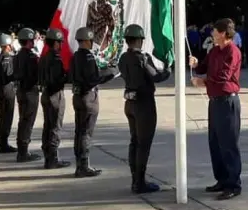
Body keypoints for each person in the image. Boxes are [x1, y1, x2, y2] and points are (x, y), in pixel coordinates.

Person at [189, 18, 243, 201]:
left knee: (228, 143)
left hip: (228, 101)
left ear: (222, 33)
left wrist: (203, 82)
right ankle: (222, 179)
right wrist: (196, 63)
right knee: (215, 142)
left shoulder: (232, 52)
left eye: (214, 31)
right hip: (215, 101)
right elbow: (204, 66)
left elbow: (224, 76)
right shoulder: (214, 51)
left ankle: (233, 184)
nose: (212, 34)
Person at [119, 24, 172, 193]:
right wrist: (169, 69)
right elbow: (156, 76)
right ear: (140, 40)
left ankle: (135, 179)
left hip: (130, 103)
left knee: (134, 142)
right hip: (144, 104)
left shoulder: (123, 58)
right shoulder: (142, 58)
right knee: (143, 144)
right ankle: (139, 182)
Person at [71, 26, 118, 178]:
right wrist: (109, 76)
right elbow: (93, 79)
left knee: (79, 132)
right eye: (91, 40)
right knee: (86, 133)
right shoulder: (88, 57)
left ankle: (80, 164)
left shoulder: (75, 56)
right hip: (88, 97)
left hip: (77, 96)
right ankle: (84, 166)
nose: (92, 43)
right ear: (86, 41)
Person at [38, 28, 70, 169]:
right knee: (55, 127)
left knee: (47, 126)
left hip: (45, 94)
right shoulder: (56, 59)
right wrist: (68, 76)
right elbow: (57, 80)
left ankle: (47, 156)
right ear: (56, 43)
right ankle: (53, 159)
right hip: (55, 94)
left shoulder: (44, 57)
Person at [13, 27, 41, 163]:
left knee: (23, 120)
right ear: (29, 41)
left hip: (21, 91)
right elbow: (35, 75)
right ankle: (23, 152)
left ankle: (22, 150)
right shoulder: (31, 57)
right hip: (30, 92)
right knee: (28, 122)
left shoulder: (18, 56)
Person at [0, 33, 18, 154]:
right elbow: (8, 75)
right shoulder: (7, 58)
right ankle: (4, 144)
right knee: (7, 115)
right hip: (7, 88)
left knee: (2, 115)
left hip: (0, 88)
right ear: (7, 45)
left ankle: (2, 142)